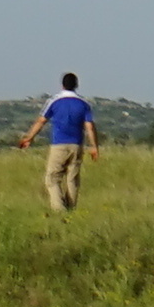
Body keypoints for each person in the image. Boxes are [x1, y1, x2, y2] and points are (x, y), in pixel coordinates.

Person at [18, 72, 98, 213]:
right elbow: (89, 127)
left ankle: (59, 209)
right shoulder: (84, 104)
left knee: (52, 179)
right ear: (76, 85)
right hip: (77, 145)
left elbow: (41, 121)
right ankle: (71, 210)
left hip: (59, 145)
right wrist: (94, 146)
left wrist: (29, 137)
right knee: (72, 180)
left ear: (62, 85)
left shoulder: (54, 101)